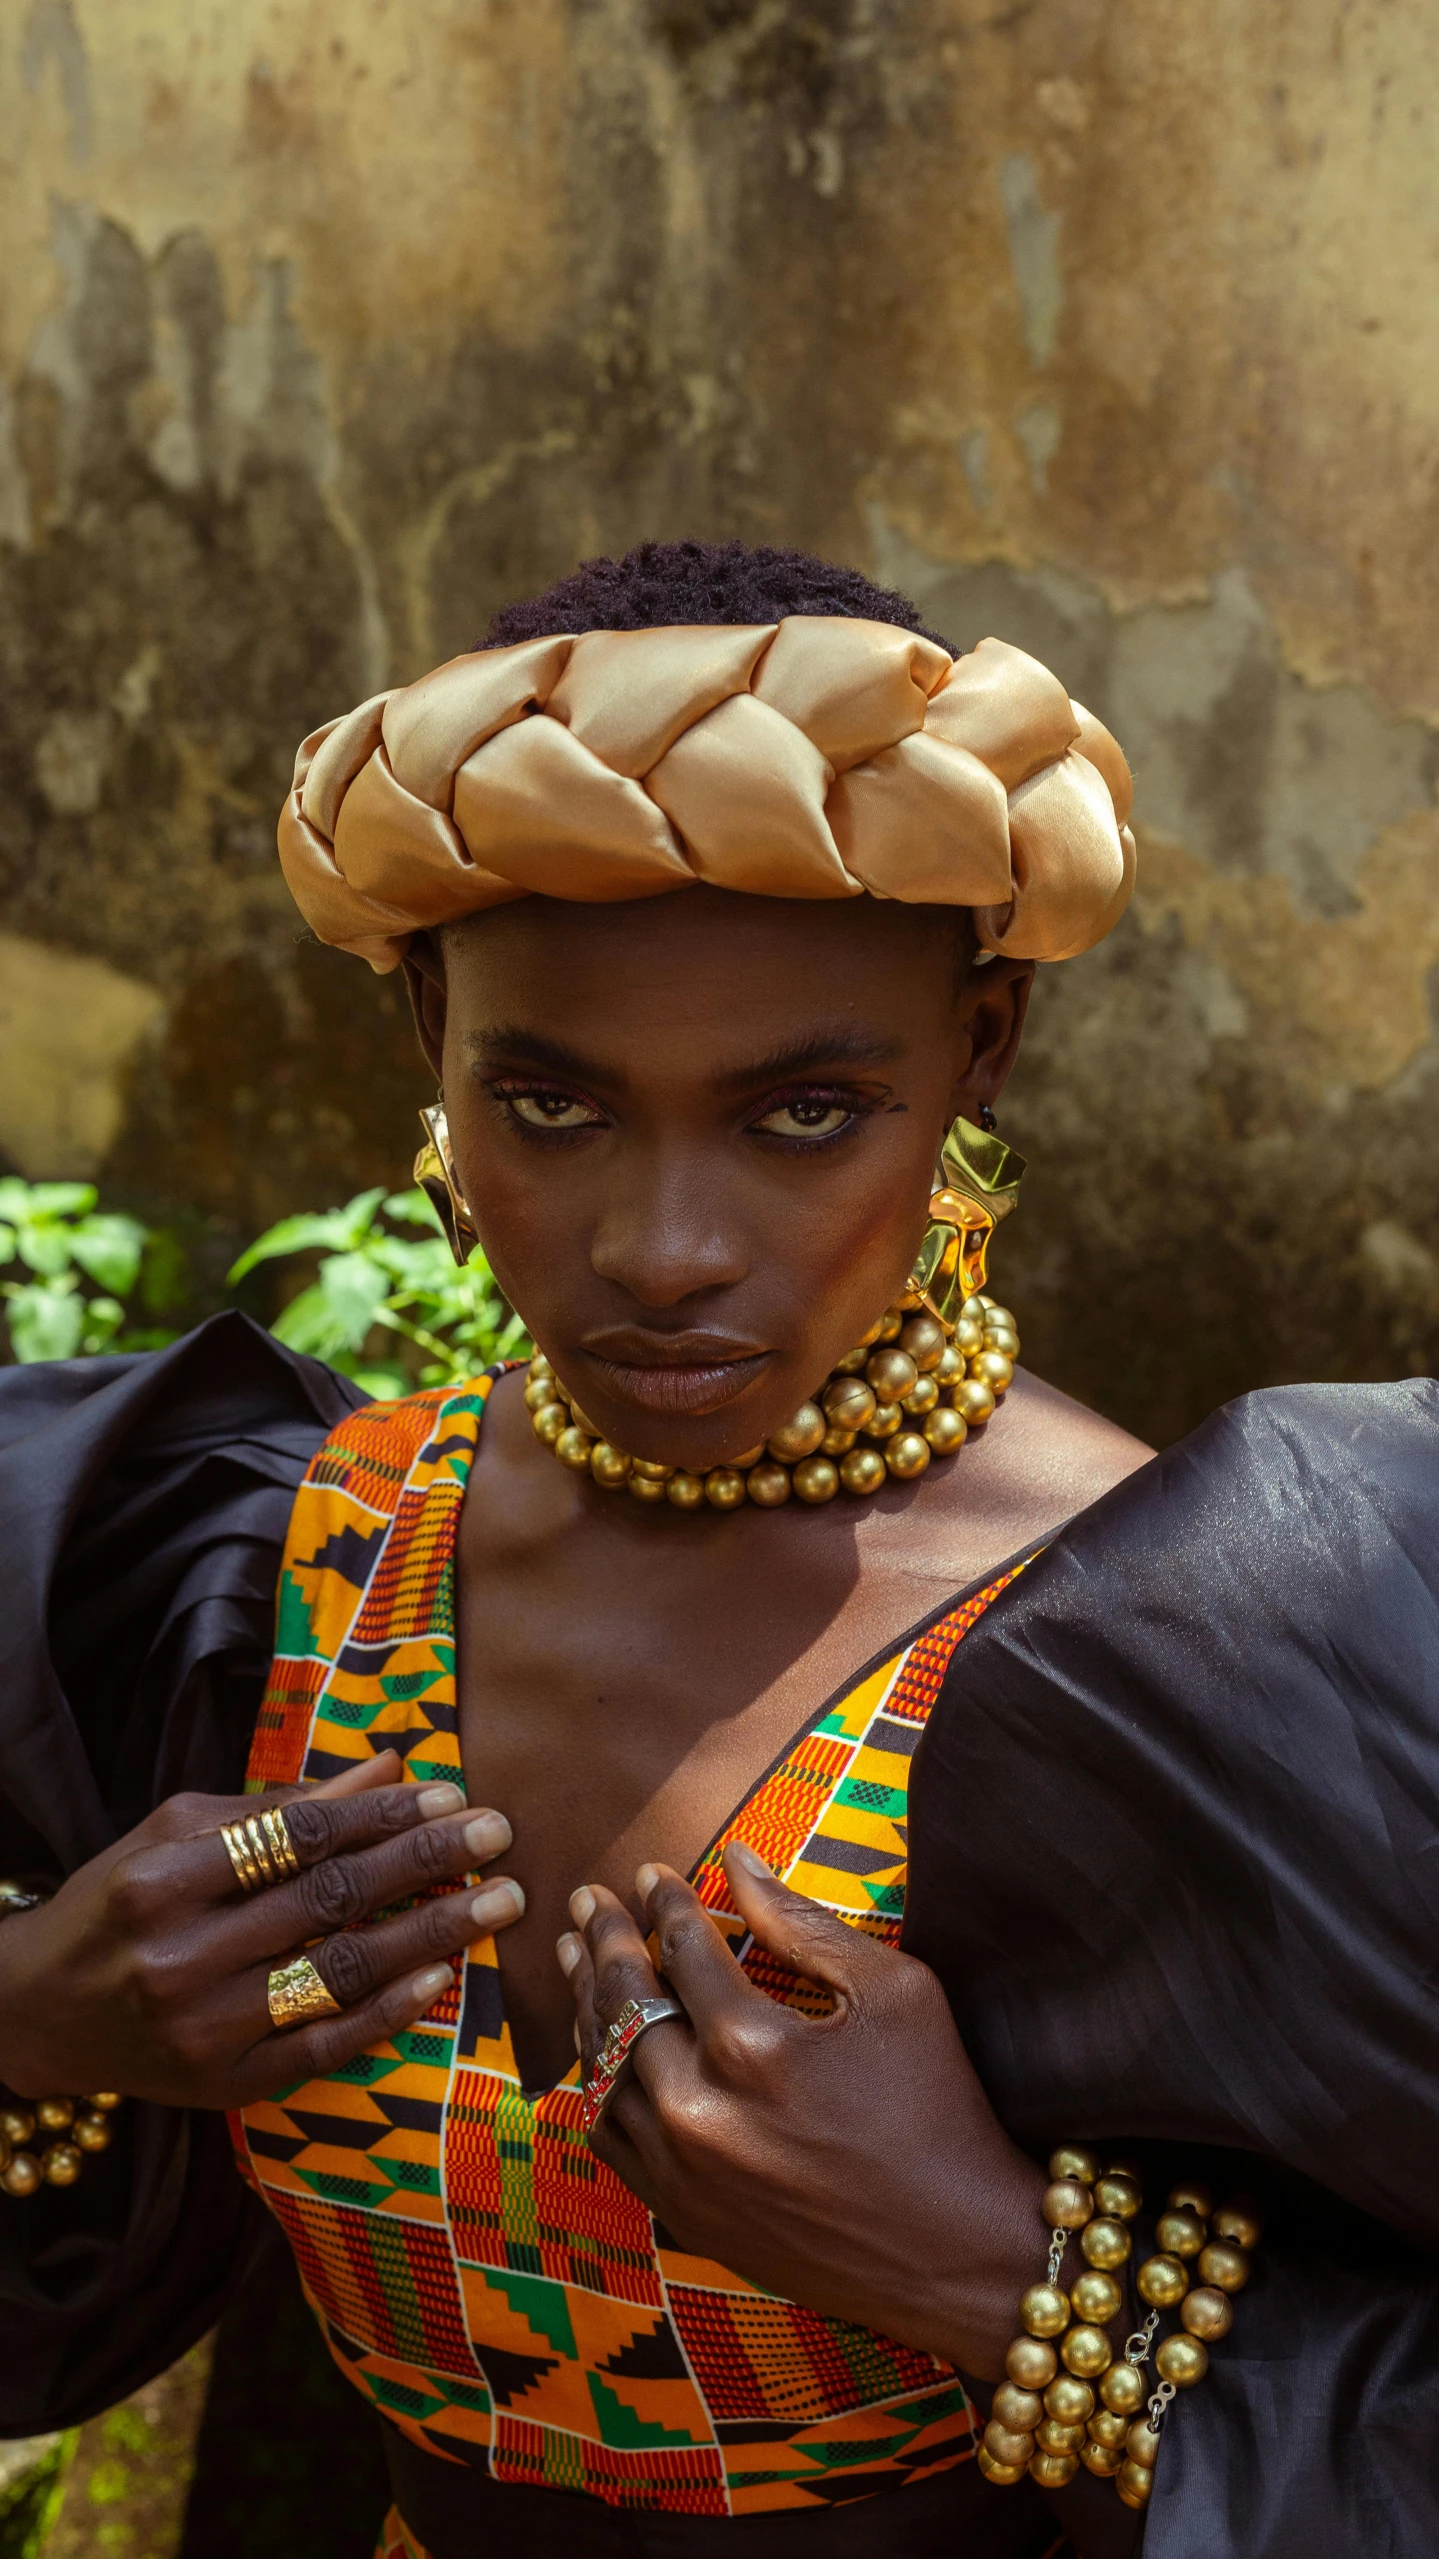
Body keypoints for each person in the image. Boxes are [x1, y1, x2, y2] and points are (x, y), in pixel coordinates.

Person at [0, 541, 1434, 2559]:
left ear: (982, 1051)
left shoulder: (1242, 1654)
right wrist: (35, 2013)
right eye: (550, 1103)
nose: (665, 1252)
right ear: (425, 1029)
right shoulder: (260, 1567)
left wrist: (1001, 2275)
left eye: (801, 1112)